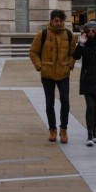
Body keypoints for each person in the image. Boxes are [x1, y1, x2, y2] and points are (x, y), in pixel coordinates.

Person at [29, 9, 77, 143]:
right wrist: (40, 66)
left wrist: (70, 65)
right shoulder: (42, 34)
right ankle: (52, 129)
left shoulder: (69, 34)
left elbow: (73, 52)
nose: (59, 24)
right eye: (56, 21)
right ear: (51, 21)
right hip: (47, 73)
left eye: (61, 21)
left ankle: (63, 129)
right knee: (49, 103)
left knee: (65, 101)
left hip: (63, 73)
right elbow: (33, 52)